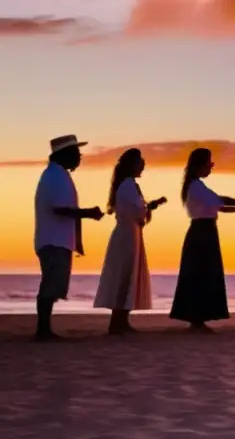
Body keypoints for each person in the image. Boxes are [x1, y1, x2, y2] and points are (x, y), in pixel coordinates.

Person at [169, 148, 235, 332]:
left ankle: (198, 319)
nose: (211, 167)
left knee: (202, 273)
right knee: (201, 274)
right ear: (200, 165)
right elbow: (222, 202)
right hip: (202, 233)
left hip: (204, 231)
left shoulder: (197, 185)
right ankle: (197, 320)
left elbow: (220, 203)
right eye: (210, 163)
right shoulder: (196, 186)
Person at [33, 135, 105, 341]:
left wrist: (77, 240)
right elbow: (60, 209)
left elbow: (67, 209)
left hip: (58, 240)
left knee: (53, 284)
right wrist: (89, 213)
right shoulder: (54, 177)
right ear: (64, 154)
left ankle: (44, 328)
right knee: (50, 284)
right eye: (76, 153)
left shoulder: (58, 175)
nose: (80, 157)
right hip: (53, 240)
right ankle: (43, 329)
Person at [93, 148, 167, 335]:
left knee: (128, 275)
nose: (143, 166)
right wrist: (148, 208)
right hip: (127, 234)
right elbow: (137, 211)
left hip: (131, 233)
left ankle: (121, 320)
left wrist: (150, 207)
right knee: (124, 275)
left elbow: (137, 210)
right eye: (140, 162)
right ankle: (118, 321)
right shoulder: (128, 185)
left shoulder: (128, 185)